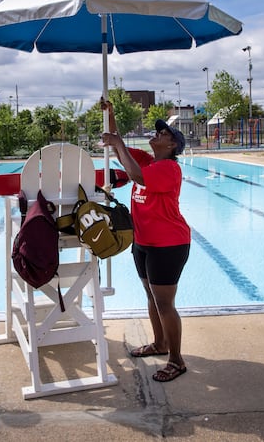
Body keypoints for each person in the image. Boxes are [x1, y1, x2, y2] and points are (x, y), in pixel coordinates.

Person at [100, 100, 191, 382]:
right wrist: (111, 116)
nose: (158, 134)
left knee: (165, 304)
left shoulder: (169, 169)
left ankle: (176, 360)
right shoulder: (149, 161)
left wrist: (118, 142)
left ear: (173, 146)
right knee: (151, 296)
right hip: (144, 243)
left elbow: (135, 175)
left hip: (169, 245)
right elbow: (119, 148)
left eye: (164, 134)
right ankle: (160, 343)